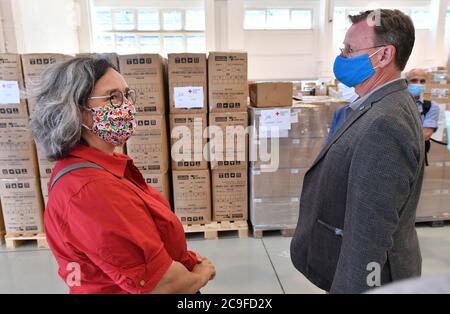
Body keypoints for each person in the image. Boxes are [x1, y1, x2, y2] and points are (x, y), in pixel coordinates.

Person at [30, 57, 216, 294]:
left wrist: (184, 259)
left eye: (127, 95)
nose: (127, 106)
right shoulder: (92, 189)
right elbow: (164, 285)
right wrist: (201, 274)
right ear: (78, 112)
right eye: (113, 98)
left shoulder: (104, 166)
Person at [291, 9, 424, 294]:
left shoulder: (385, 123)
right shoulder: (376, 105)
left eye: (349, 50)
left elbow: (369, 235)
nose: (341, 58)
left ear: (384, 56)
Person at [406, 68, 440, 165]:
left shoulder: (432, 106)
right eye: (414, 80)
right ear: (406, 82)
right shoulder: (396, 103)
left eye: (422, 81)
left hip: (417, 154)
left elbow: (426, 134)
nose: (418, 83)